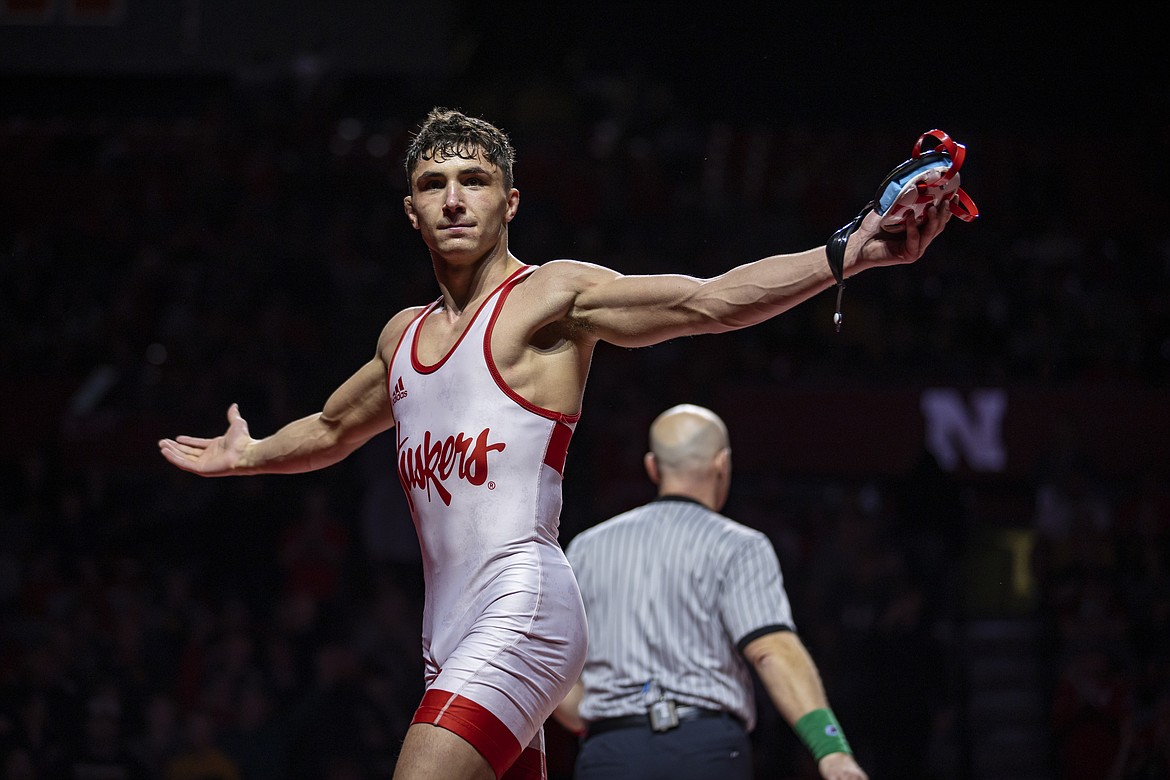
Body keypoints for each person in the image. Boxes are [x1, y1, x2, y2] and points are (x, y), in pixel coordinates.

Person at [158, 107, 958, 780]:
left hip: (526, 605)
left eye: (474, 182)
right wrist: (250, 454)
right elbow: (332, 429)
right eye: (434, 185)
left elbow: (707, 303)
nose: (454, 200)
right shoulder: (402, 337)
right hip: (446, 634)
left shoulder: (550, 296)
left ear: (510, 202)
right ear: (410, 210)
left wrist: (845, 252)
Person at [553, 404, 866, 780]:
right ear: (723, 464)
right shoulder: (739, 545)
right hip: (704, 749)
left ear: (652, 467)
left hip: (611, 751)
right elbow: (771, 649)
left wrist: (594, 716)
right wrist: (830, 749)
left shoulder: (587, 546)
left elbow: (553, 663)